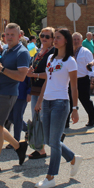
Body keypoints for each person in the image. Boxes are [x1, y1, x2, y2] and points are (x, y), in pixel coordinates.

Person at [34, 28, 83, 188]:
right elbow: (47, 80)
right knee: (48, 140)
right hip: (47, 102)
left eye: (58, 38)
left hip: (60, 104)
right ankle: (73, 158)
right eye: (54, 38)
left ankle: (50, 177)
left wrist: (75, 108)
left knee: (54, 142)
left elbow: (74, 87)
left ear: (66, 41)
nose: (55, 40)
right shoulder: (50, 58)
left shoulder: (70, 61)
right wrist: (40, 100)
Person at [0, 23, 31, 174]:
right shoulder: (5, 49)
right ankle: (18, 146)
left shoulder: (22, 52)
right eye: (6, 35)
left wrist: (1, 69)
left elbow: (22, 77)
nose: (9, 37)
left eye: (12, 35)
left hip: (7, 93)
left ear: (19, 36)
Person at [26, 27, 55, 160]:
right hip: (35, 88)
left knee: (42, 119)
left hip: (46, 89)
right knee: (37, 118)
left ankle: (45, 147)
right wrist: (30, 71)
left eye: (47, 37)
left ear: (53, 39)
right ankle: (40, 148)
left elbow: (51, 74)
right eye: (42, 35)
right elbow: (34, 70)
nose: (44, 38)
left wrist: (35, 74)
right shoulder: (38, 51)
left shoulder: (53, 53)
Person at [68, 32, 94, 127]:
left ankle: (92, 118)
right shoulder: (68, 52)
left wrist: (92, 77)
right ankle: (65, 122)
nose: (76, 41)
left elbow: (91, 66)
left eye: (77, 39)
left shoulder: (86, 52)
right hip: (70, 80)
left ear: (81, 41)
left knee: (85, 100)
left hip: (83, 79)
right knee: (69, 101)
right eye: (74, 39)